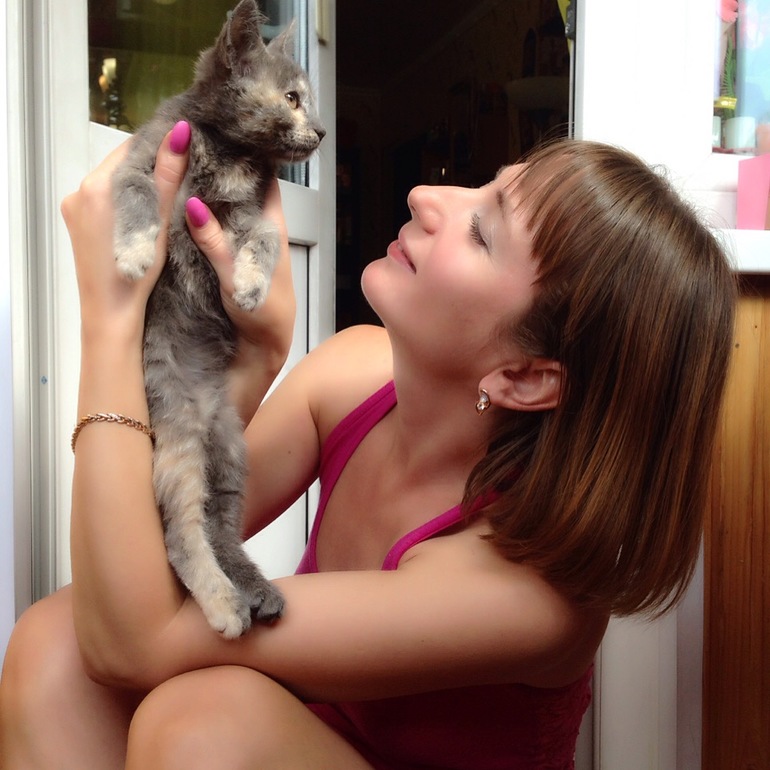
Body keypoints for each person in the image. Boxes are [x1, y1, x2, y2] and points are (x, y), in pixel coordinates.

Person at [0, 124, 736, 770]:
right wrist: (255, 359)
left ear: (525, 376)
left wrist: (112, 317)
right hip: (298, 745)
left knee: (203, 727)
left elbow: (138, 641)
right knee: (55, 644)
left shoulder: (523, 594)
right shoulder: (354, 372)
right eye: (483, 187)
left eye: (482, 232)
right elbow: (141, 566)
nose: (427, 196)